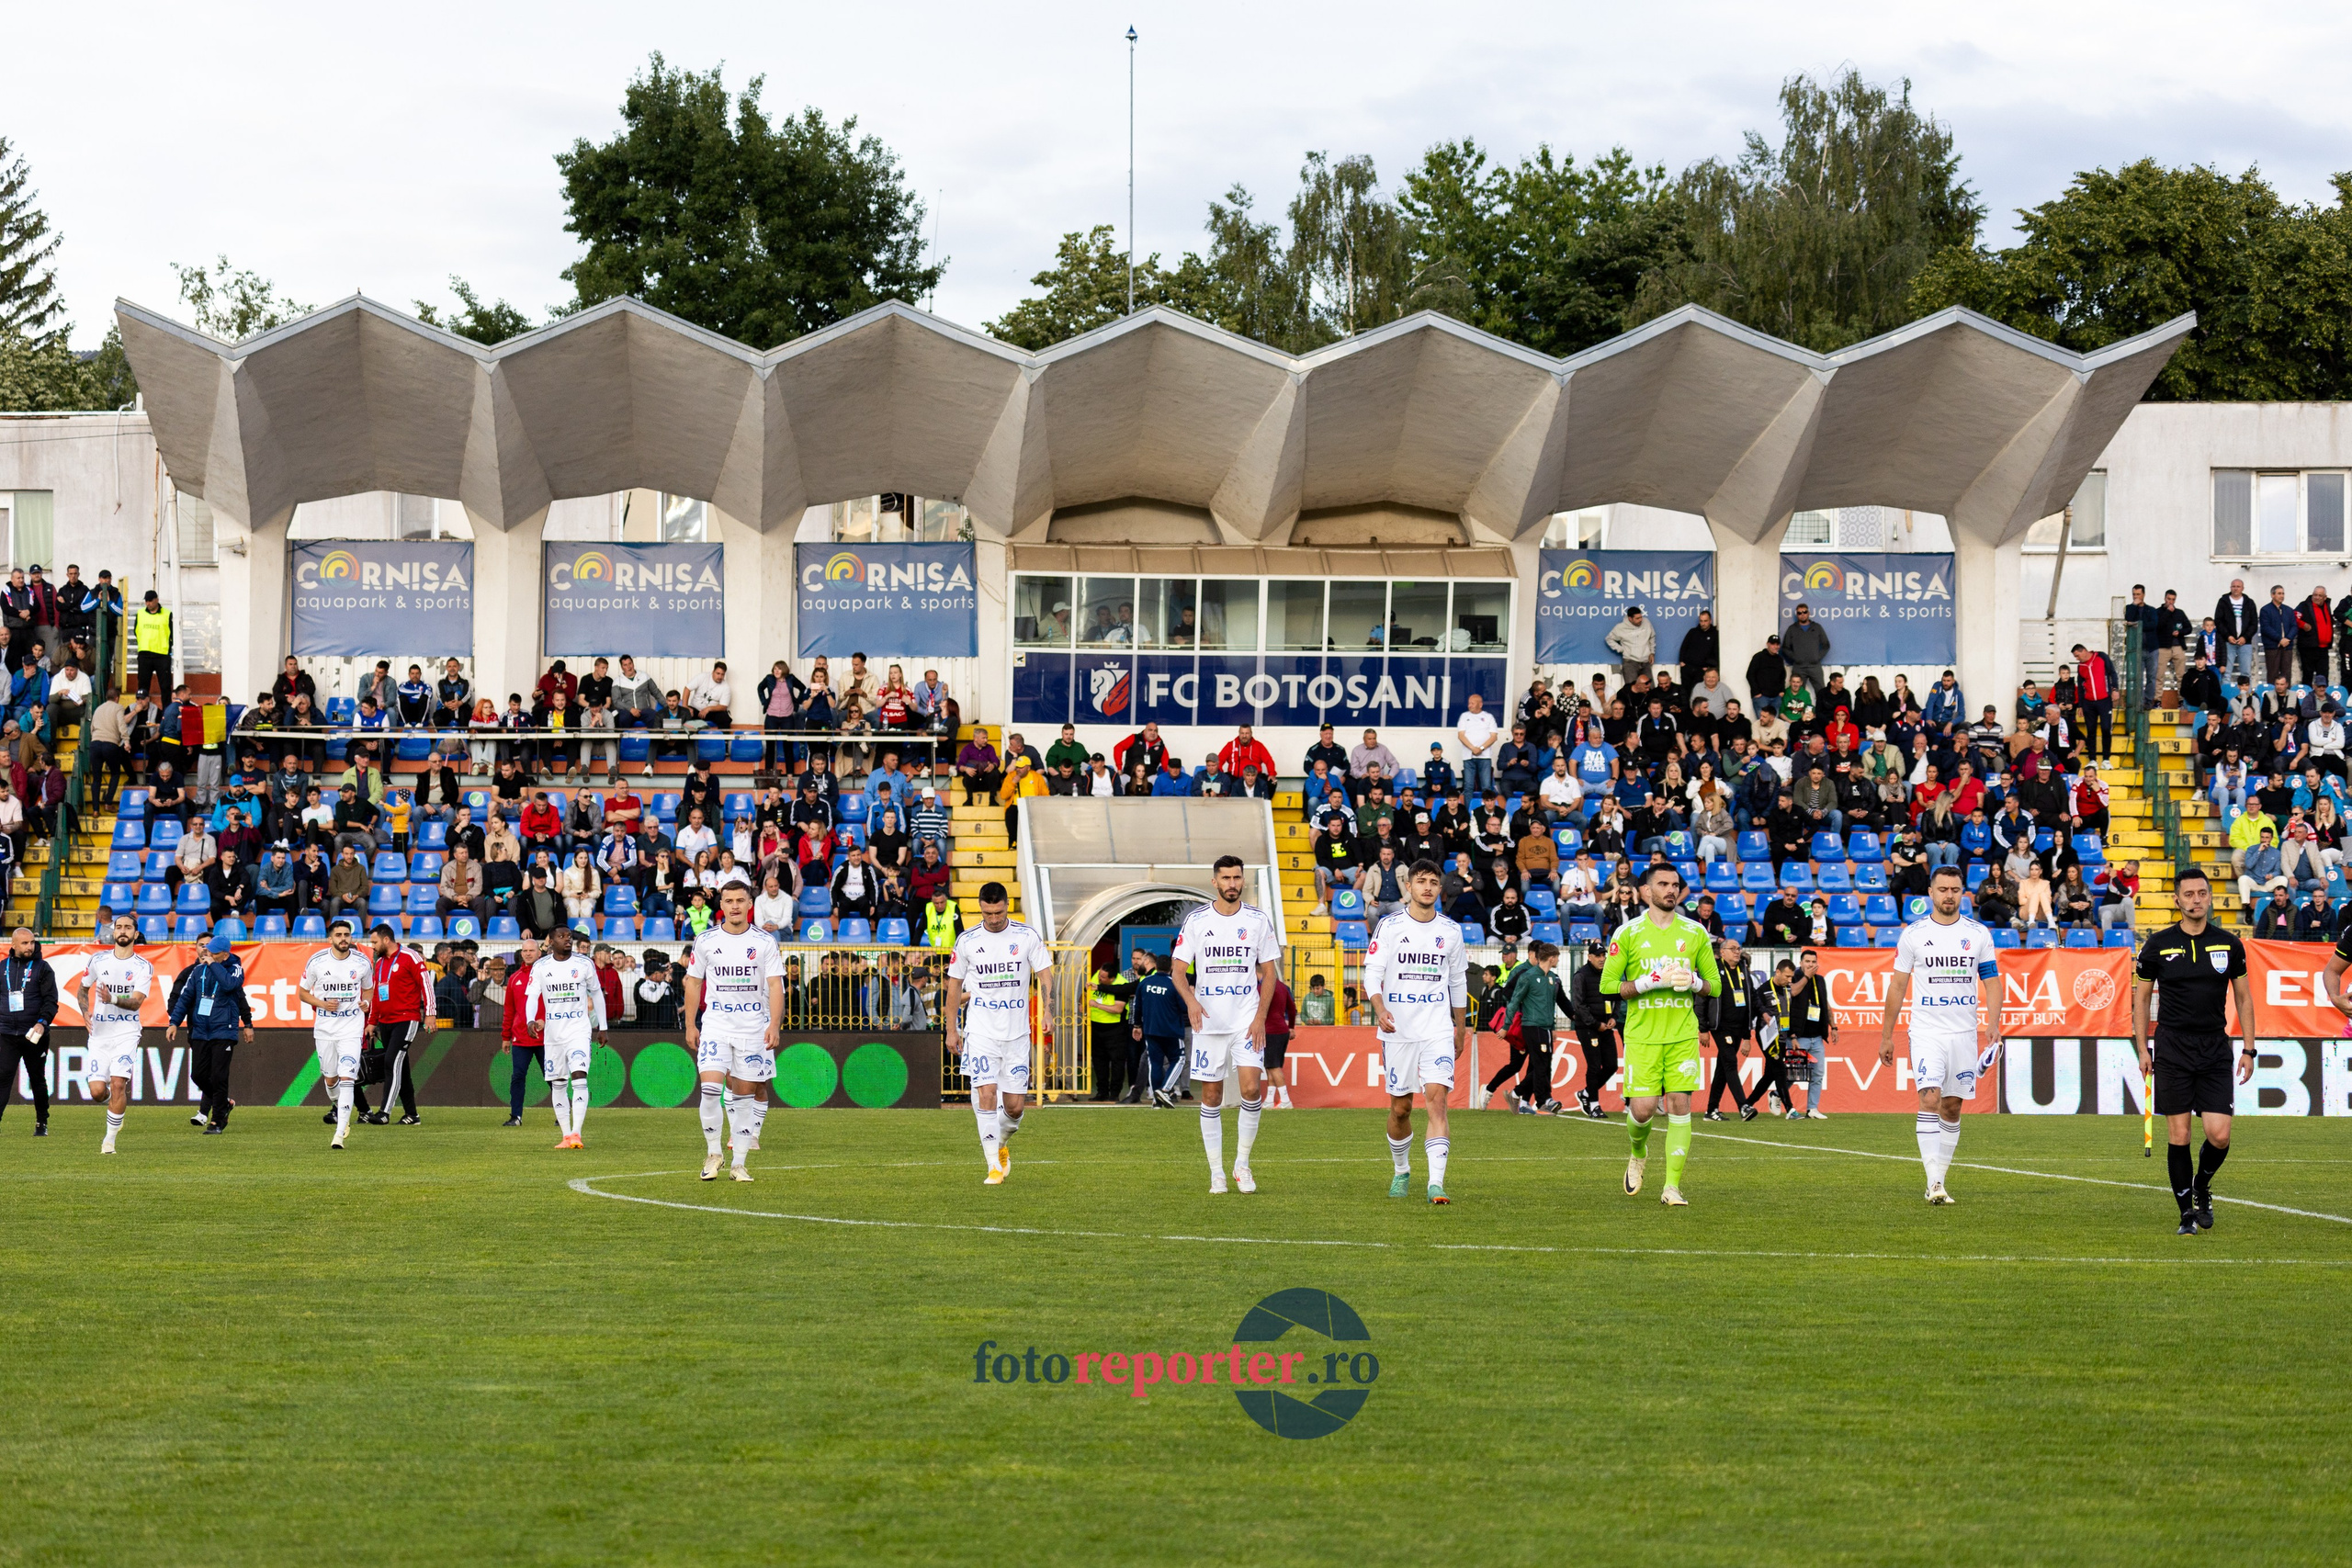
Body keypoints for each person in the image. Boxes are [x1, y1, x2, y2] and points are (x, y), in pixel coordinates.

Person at [2134, 870, 2256, 1235]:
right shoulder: (2156, 945)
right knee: (2180, 1135)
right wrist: (2142, 1048)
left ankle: (2201, 1185)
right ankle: (2186, 1214)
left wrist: (2249, 1049)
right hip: (2172, 1047)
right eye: (2188, 894)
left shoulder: (2229, 944)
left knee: (2219, 1135)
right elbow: (2140, 1000)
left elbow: (2244, 998)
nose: (2196, 899)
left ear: (2210, 897)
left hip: (2215, 1047)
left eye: (2202, 893)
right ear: (2177, 900)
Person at [1876, 866, 2001, 1204]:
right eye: (1943, 889)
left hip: (1964, 1033)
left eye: (1955, 890)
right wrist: (1886, 1036)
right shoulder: (1914, 934)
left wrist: (1993, 1023)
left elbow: (1991, 981)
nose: (1949, 895)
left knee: (1952, 1107)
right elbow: (1897, 986)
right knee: (1930, 1099)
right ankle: (1933, 1183)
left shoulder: (1978, 934)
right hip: (1926, 1031)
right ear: (1931, 892)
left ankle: (1938, 1180)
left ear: (1963, 893)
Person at [1599, 863, 1720, 1205]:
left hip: (1682, 1035)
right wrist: (1647, 983)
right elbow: (1608, 985)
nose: (1671, 890)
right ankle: (1638, 1151)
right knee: (1643, 1111)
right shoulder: (1627, 933)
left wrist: (1694, 982)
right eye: (1663, 884)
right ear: (1646, 891)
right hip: (1642, 1037)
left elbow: (1716, 986)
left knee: (1680, 1104)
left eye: (1675, 885)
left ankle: (1672, 1187)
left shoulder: (1695, 932)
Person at [1170, 855, 1283, 1195]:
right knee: (1211, 1095)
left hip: (1246, 1021)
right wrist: (1191, 1001)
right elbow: (1178, 971)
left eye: (1237, 878)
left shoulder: (1257, 920)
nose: (1232, 884)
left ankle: (1242, 1165)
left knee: (1251, 1090)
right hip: (1209, 1023)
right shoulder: (1197, 920)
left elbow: (1270, 973)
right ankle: (1216, 1172)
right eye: (1226, 878)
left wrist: (1260, 1018)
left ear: (1243, 880)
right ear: (1214, 882)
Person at [944, 881, 1053, 1183]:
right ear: (980, 908)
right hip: (981, 1032)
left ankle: (1000, 1142)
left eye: (999, 912)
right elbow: (953, 988)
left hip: (1017, 1034)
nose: (993, 919)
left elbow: (1045, 974)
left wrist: (1048, 1010)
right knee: (987, 1094)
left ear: (1007, 906)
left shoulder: (1026, 936)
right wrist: (952, 1030)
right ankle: (993, 1165)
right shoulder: (967, 941)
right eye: (988, 913)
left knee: (1015, 1108)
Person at [684, 883, 786, 1181]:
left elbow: (775, 985)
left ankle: (738, 1164)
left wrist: (774, 1024)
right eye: (729, 901)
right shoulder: (705, 940)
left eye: (740, 900)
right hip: (716, 1025)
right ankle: (713, 1153)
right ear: (721, 905)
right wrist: (690, 1024)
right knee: (710, 1090)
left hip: (752, 1028)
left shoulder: (765, 941)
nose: (735, 906)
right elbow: (693, 982)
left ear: (749, 903)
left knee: (744, 1098)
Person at [78, 914, 153, 1155]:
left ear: (135, 934)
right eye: (118, 927)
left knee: (119, 1083)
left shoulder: (143, 966)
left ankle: (109, 1141)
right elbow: (83, 989)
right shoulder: (98, 960)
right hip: (100, 1034)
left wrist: (112, 998)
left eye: (127, 927)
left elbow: (136, 1002)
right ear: (113, 932)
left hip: (126, 1033)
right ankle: (113, 1101)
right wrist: (85, 1011)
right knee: (97, 1092)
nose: (122, 931)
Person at [164, 934, 252, 1134]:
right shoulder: (198, 970)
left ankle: (217, 1121)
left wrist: (213, 964)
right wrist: (174, 1022)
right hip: (201, 1030)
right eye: (207, 950)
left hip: (224, 1030)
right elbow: (185, 998)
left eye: (214, 952)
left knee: (219, 1076)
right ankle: (224, 1103)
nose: (208, 953)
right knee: (198, 1075)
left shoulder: (235, 969)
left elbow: (229, 985)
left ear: (225, 955)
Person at [297, 919, 373, 1148]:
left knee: (348, 1077)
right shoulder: (317, 962)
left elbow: (368, 989)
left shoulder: (362, 962)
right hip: (325, 1029)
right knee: (331, 1079)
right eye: (338, 935)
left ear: (351, 937)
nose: (343, 938)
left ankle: (339, 1133)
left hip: (351, 1028)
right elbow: (302, 993)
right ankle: (339, 1106)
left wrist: (366, 1002)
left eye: (347, 935)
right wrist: (322, 1003)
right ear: (330, 938)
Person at [358, 925, 430, 1127]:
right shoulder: (380, 963)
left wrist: (430, 1013)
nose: (372, 946)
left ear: (386, 940)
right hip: (385, 1022)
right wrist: (372, 1022)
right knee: (401, 1067)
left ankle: (384, 1112)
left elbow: (426, 984)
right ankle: (412, 1115)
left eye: (374, 942)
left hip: (406, 1020)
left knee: (391, 1061)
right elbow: (377, 996)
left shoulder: (410, 956)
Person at [1487, 939, 1561, 1115]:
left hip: (1542, 1026)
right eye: (1557, 957)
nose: (1558, 960)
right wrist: (1508, 1024)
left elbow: (1551, 1004)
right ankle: (1539, 1101)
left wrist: (1553, 1025)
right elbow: (1512, 998)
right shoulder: (1525, 974)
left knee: (1541, 1064)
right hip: (1527, 1025)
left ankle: (1522, 1097)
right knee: (1531, 1065)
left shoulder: (1551, 977)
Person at [0, 928, 60, 1136]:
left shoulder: (43, 968)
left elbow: (51, 1000)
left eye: (32, 942)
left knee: (37, 1079)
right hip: (7, 1034)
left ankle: (42, 1122)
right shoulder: (2, 968)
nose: (30, 947)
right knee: (2, 1078)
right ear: (14, 945)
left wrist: (42, 1022)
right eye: (25, 943)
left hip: (34, 1034)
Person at [1699, 937, 1761, 1122]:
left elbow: (1750, 1001)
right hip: (1721, 1027)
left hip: (1739, 1027)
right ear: (1722, 952)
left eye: (1738, 948)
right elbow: (1701, 1000)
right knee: (1731, 1063)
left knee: (1723, 1068)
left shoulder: (1744, 970)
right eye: (1732, 949)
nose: (1737, 952)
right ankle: (1743, 1106)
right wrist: (1703, 1028)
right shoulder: (1713, 970)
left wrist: (1747, 1035)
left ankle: (1711, 1110)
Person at [1567, 941, 1620, 1120]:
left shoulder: (1609, 974)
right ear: (1589, 957)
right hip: (1587, 1027)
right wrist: (1595, 1024)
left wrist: (1614, 1017)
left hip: (1606, 1026)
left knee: (1612, 1065)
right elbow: (1578, 1005)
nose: (1602, 959)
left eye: (1604, 955)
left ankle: (1586, 1093)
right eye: (1598, 956)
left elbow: (1617, 996)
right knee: (1594, 1066)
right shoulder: (1581, 976)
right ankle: (1594, 1105)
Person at [1783, 947, 1837, 1118]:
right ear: (1800, 963)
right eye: (1807, 961)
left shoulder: (1820, 980)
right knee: (1793, 1075)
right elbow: (1792, 992)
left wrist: (1833, 1026)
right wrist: (1806, 977)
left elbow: (1825, 1004)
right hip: (1798, 1037)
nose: (1811, 964)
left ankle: (1812, 1109)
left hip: (1817, 1036)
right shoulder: (1794, 977)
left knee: (1818, 1074)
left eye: (1814, 962)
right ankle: (1777, 1094)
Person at [1129, 947, 1184, 1107]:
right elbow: (1184, 1007)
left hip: (1151, 1030)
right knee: (1179, 1059)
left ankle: (1156, 1101)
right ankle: (1165, 1090)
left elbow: (1137, 1006)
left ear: (1156, 966)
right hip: (1172, 1030)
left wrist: (1137, 1025)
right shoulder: (1174, 984)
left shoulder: (1145, 982)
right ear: (1171, 967)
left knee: (1155, 1063)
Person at [1605, 604, 1655, 686]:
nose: (1640, 620)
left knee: (1650, 688)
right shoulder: (1620, 627)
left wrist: (1652, 652)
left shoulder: (1647, 622)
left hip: (1645, 661)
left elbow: (1652, 637)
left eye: (1641, 617)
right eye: (1637, 618)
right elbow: (1609, 639)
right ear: (1630, 619)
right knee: (1632, 688)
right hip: (1630, 662)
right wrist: (1621, 649)